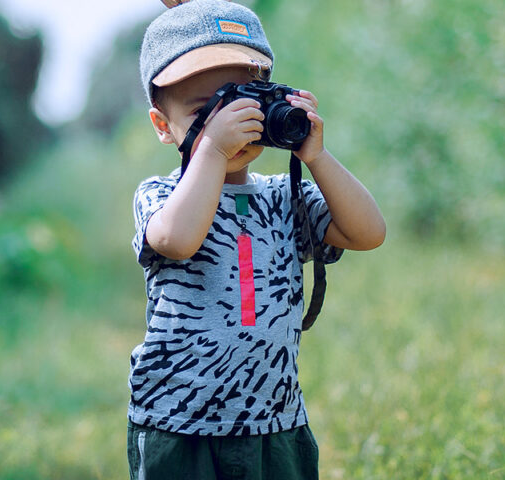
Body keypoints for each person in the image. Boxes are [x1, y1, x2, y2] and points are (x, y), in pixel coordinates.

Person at [128, 1, 385, 478]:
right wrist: (212, 150)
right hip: (178, 423)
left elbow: (368, 233)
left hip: (275, 422)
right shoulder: (161, 196)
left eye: (241, 102)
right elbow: (178, 239)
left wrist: (317, 157)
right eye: (205, 111)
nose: (227, 124)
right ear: (163, 127)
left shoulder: (285, 196)